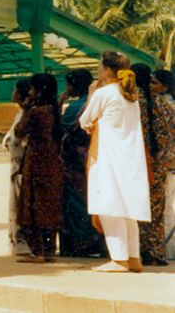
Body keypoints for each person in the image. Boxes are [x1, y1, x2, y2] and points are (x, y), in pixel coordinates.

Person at [79, 50, 150, 272]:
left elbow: (84, 120)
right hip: (129, 157)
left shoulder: (103, 93)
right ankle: (133, 257)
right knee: (127, 205)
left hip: (108, 156)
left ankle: (119, 259)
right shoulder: (131, 94)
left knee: (109, 204)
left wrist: (92, 94)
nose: (98, 71)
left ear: (108, 70)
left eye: (100, 67)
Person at [15, 73, 64, 263]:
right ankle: (50, 251)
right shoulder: (54, 110)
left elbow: (20, 132)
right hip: (52, 165)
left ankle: (38, 252)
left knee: (32, 208)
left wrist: (26, 109)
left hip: (35, 165)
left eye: (33, 89)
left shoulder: (36, 112)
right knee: (50, 208)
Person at [58, 69, 105, 257]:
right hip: (92, 157)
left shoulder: (76, 106)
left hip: (73, 162)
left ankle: (81, 243)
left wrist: (61, 99)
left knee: (75, 203)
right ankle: (96, 241)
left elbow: (60, 127)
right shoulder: (97, 102)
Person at [134, 63, 173, 265]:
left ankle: (140, 250)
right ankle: (156, 252)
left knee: (139, 205)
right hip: (159, 161)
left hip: (141, 161)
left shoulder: (133, 102)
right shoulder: (161, 103)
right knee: (156, 208)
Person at [2, 78, 32, 256]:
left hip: (22, 166)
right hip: (16, 165)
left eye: (14, 90)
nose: (12, 93)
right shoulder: (20, 113)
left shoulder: (27, 113)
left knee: (21, 206)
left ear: (20, 94)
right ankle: (17, 244)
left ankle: (24, 245)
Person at [152, 69, 175, 261]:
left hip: (167, 163)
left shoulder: (163, 106)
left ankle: (169, 249)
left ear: (165, 86)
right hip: (171, 162)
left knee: (167, 206)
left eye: (154, 82)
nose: (150, 86)